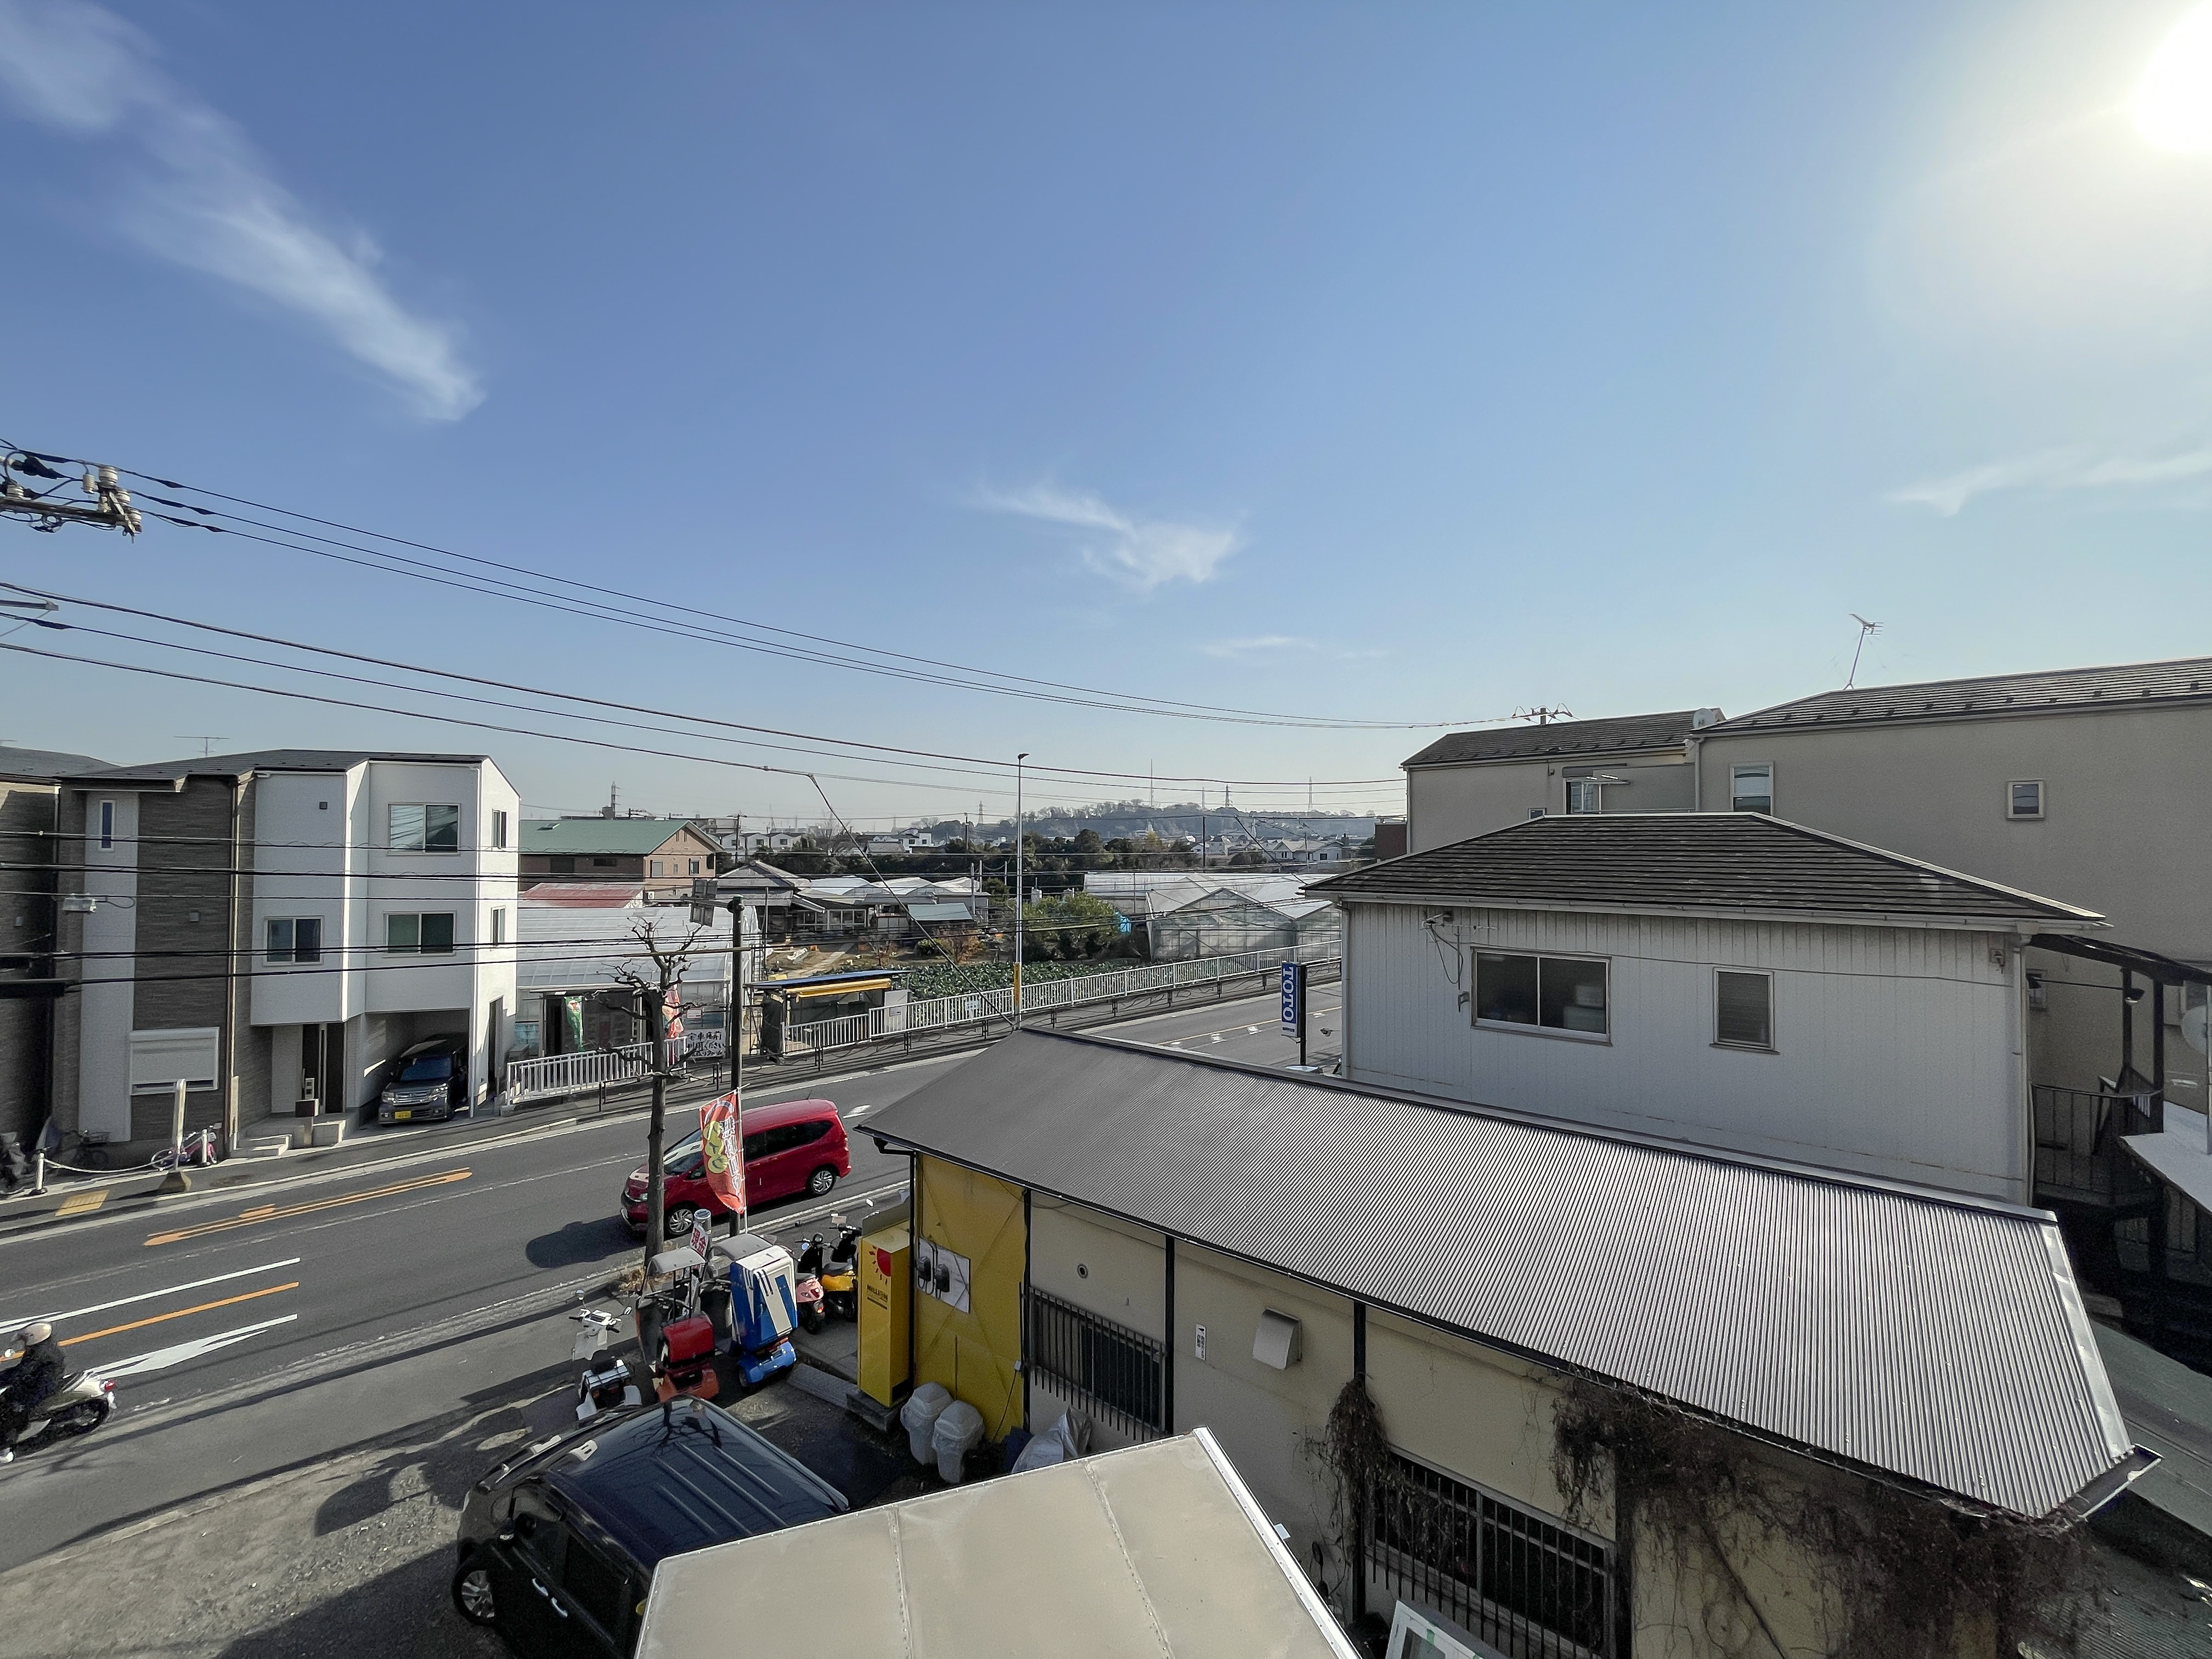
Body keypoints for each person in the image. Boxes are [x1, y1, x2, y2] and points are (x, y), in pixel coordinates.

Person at [0, 1321, 64, 1464]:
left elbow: (21, 1372)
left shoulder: (39, 1353)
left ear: (34, 1338)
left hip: (41, 1389)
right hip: (33, 1383)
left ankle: (5, 1449)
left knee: (12, 1415)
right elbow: (20, 1371)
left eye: (25, 1339)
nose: (23, 1343)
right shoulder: (40, 1347)